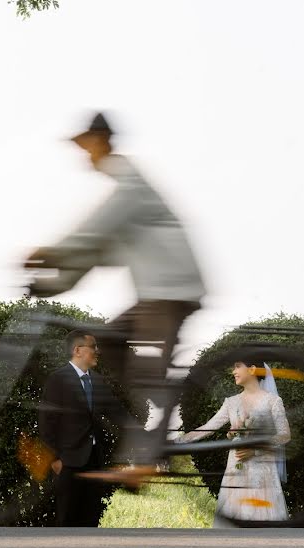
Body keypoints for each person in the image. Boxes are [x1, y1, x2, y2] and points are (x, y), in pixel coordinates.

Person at [27, 111, 205, 408]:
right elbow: (94, 253)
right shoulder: (123, 196)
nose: (84, 155)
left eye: (86, 146)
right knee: (104, 341)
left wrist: (50, 253)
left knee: (148, 377)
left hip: (171, 293)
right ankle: (154, 405)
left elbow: (93, 231)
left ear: (100, 141)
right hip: (155, 295)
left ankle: (156, 434)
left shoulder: (130, 184)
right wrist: (46, 287)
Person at [38, 329, 140, 527]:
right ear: (78, 350)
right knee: (67, 517)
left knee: (91, 516)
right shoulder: (57, 379)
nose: (97, 351)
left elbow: (118, 413)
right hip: (67, 462)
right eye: (93, 347)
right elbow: (46, 422)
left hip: (94, 459)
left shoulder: (98, 381)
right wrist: (55, 459)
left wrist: (144, 435)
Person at [175, 359, 291, 525]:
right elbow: (208, 427)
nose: (233, 371)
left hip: (262, 471)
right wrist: (177, 442)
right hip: (236, 468)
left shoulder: (273, 401)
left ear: (252, 370)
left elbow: (284, 435)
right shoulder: (231, 402)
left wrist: (255, 450)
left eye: (237, 366)